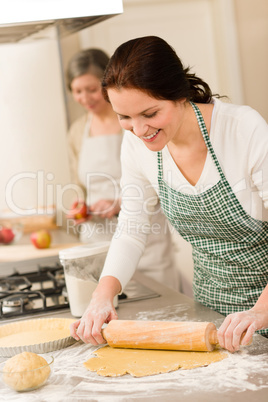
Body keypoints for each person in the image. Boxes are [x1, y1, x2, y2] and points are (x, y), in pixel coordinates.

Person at [70, 36, 268, 353]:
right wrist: (102, 294)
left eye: (149, 114)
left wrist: (261, 311)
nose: (139, 130)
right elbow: (133, 226)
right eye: (124, 117)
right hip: (212, 316)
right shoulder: (137, 144)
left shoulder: (242, 129)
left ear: (178, 95)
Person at [66, 47, 178, 288]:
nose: (86, 98)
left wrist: (119, 203)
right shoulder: (77, 131)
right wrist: (80, 206)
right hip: (96, 240)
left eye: (92, 89)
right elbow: (80, 183)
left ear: (109, 86)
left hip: (147, 239)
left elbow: (164, 181)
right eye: (77, 91)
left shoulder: (139, 125)